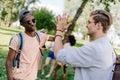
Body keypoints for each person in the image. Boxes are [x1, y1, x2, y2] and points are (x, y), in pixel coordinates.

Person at [54, 10, 116, 80]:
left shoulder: (94, 49)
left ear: (98, 25)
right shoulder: (109, 47)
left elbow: (58, 54)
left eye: (89, 22)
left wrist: (59, 30)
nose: (86, 25)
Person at [5, 9, 54, 80]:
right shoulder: (17, 39)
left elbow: (55, 39)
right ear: (21, 23)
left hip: (32, 78)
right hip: (19, 78)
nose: (32, 23)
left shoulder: (40, 35)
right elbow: (8, 61)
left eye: (33, 20)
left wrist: (60, 30)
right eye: (28, 22)